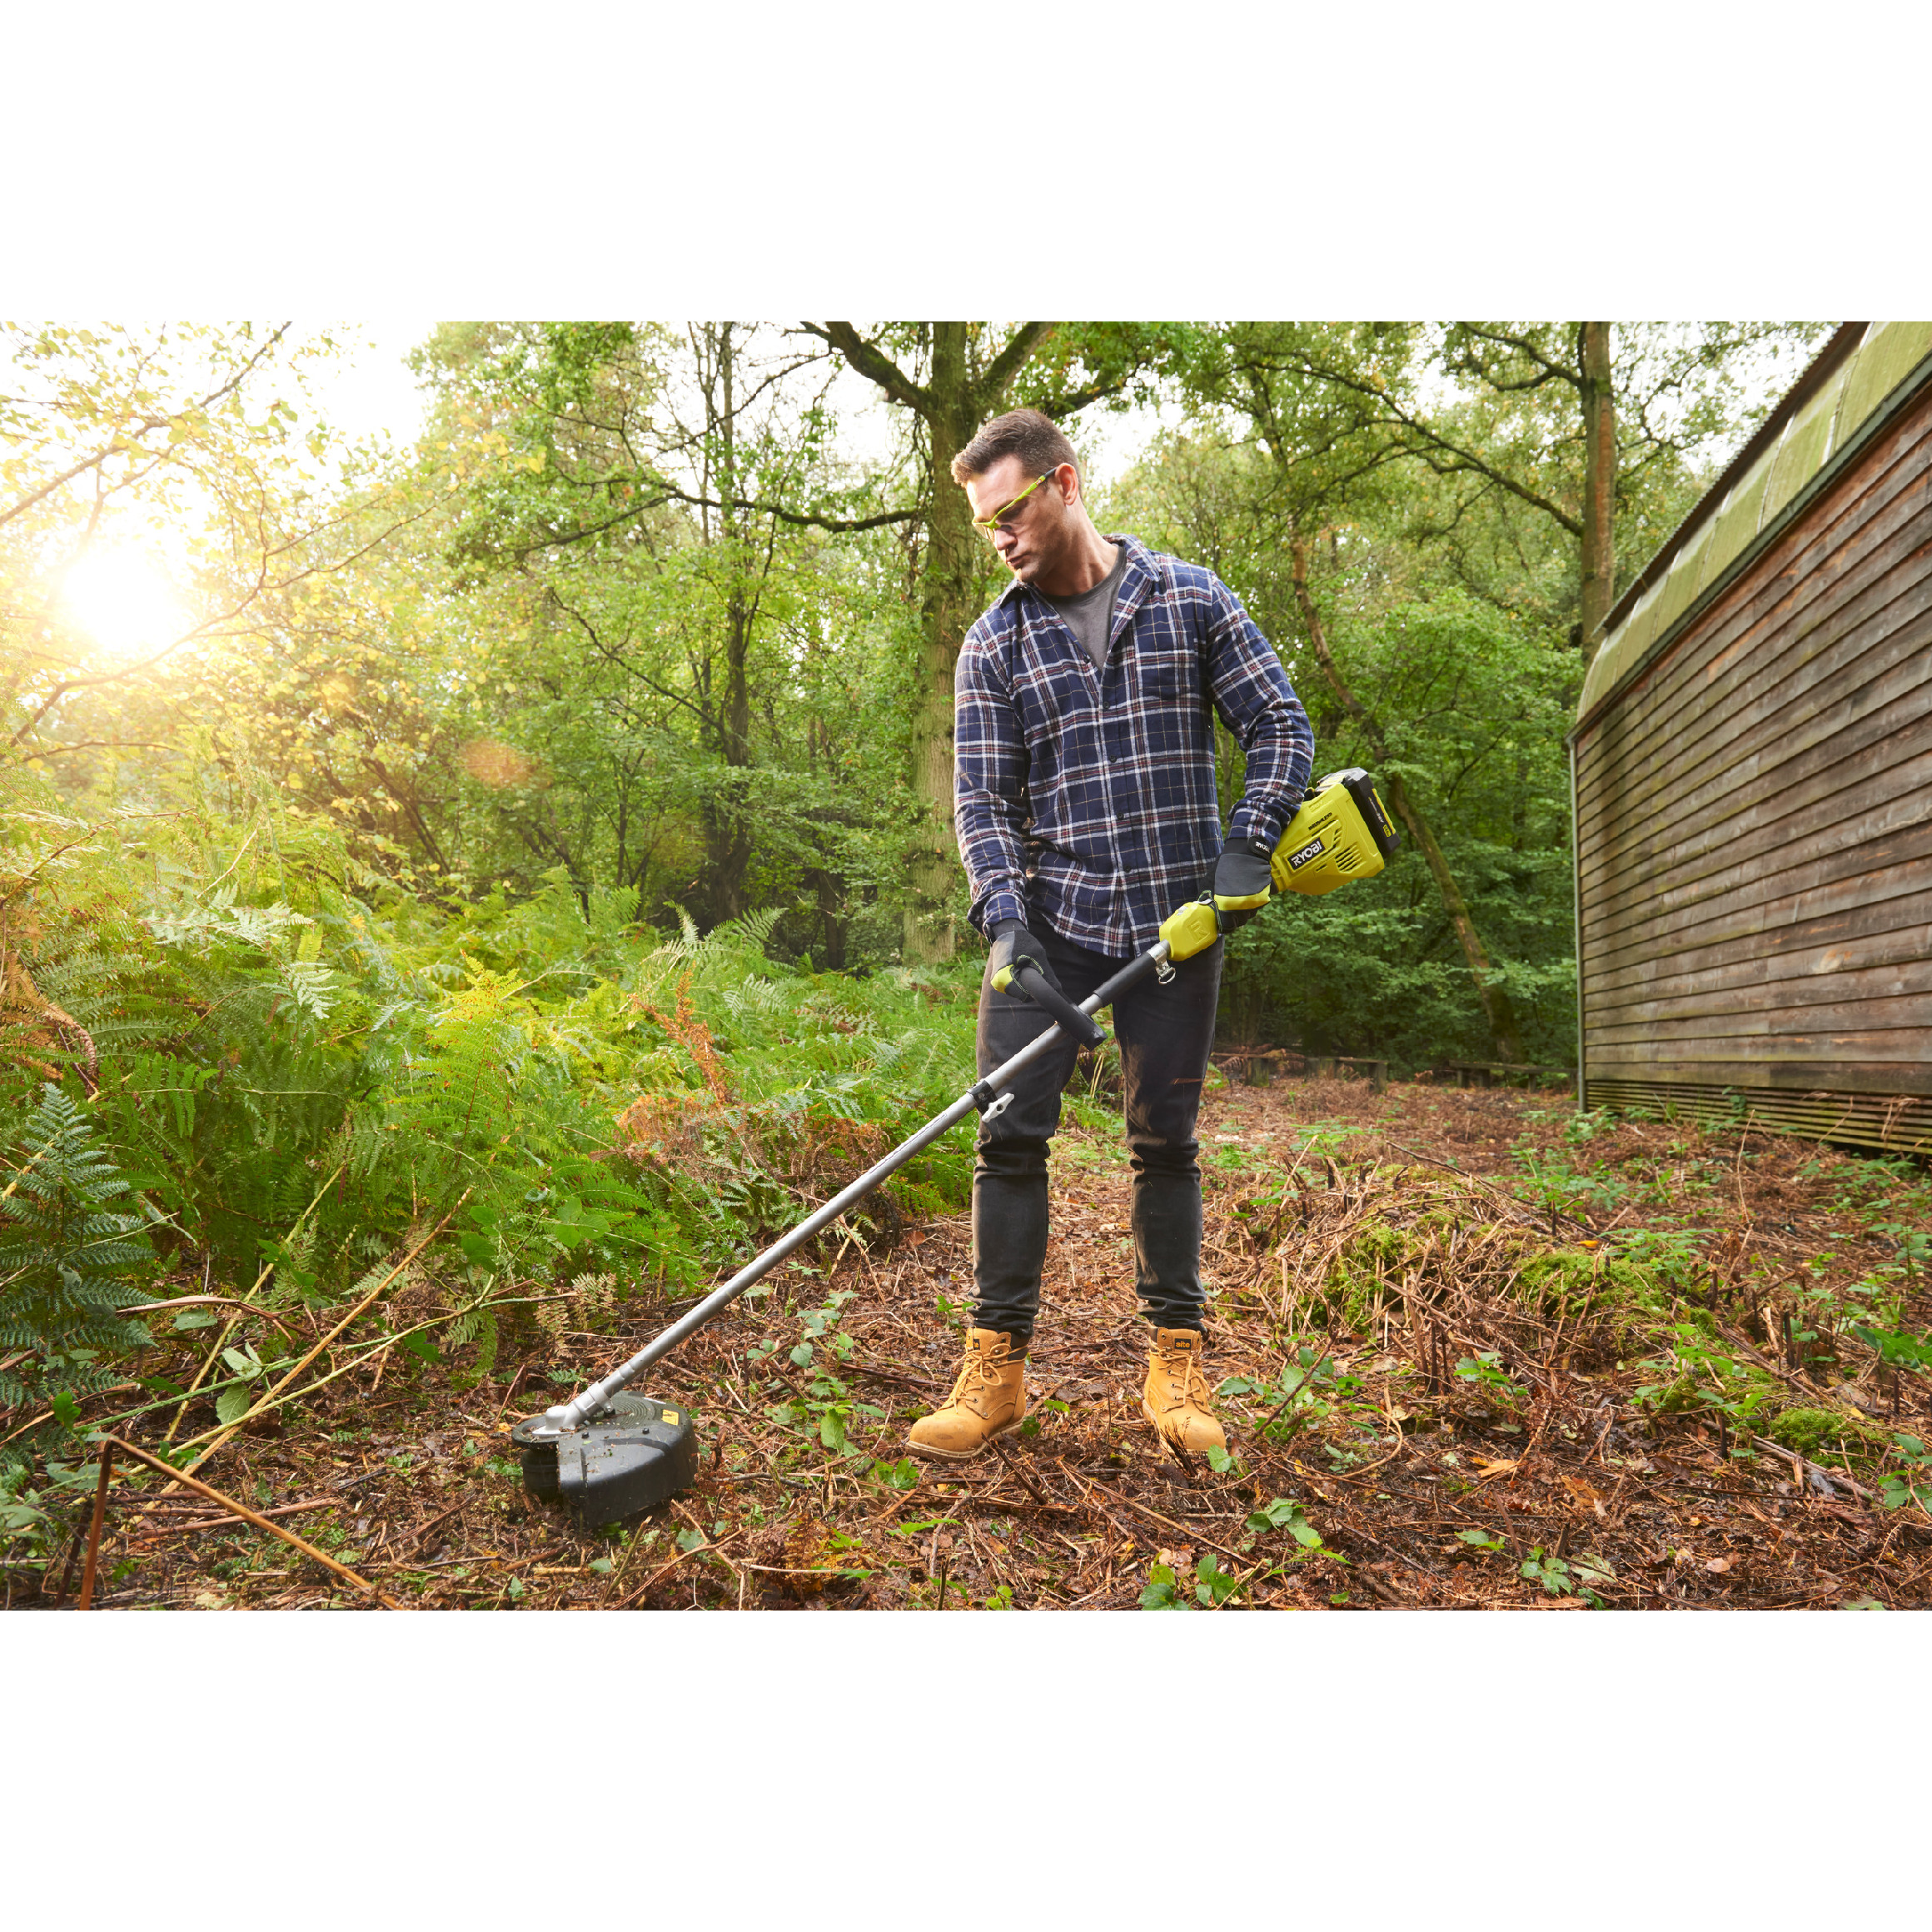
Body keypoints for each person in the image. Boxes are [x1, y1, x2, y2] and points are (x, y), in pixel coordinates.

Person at [908, 408, 1314, 1462]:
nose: (997, 536)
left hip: (1179, 926)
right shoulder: (993, 643)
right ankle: (995, 1373)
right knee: (1007, 1135)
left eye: (1008, 511)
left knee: (1164, 1143)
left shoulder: (1188, 597)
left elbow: (1279, 722)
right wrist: (1006, 922)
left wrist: (1249, 840)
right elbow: (982, 803)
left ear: (1064, 483)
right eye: (983, 524)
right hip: (1051, 929)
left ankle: (1176, 1364)